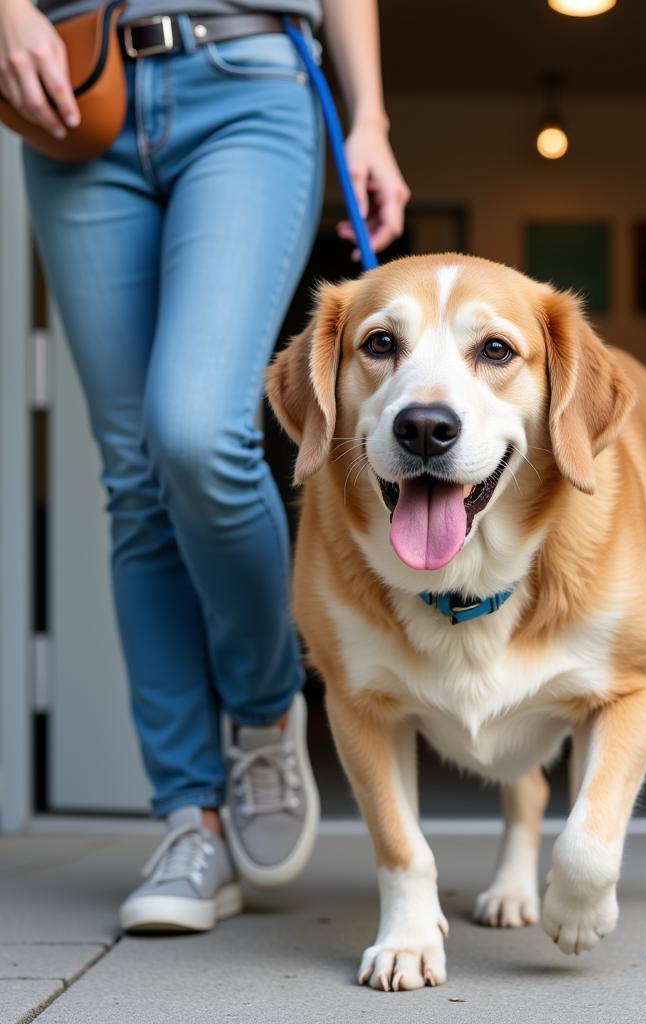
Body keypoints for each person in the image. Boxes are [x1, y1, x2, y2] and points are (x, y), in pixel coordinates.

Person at [0, 0, 408, 932]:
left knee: (195, 433)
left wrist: (370, 115)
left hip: (248, 78)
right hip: (75, 90)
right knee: (134, 482)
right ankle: (191, 819)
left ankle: (263, 718)